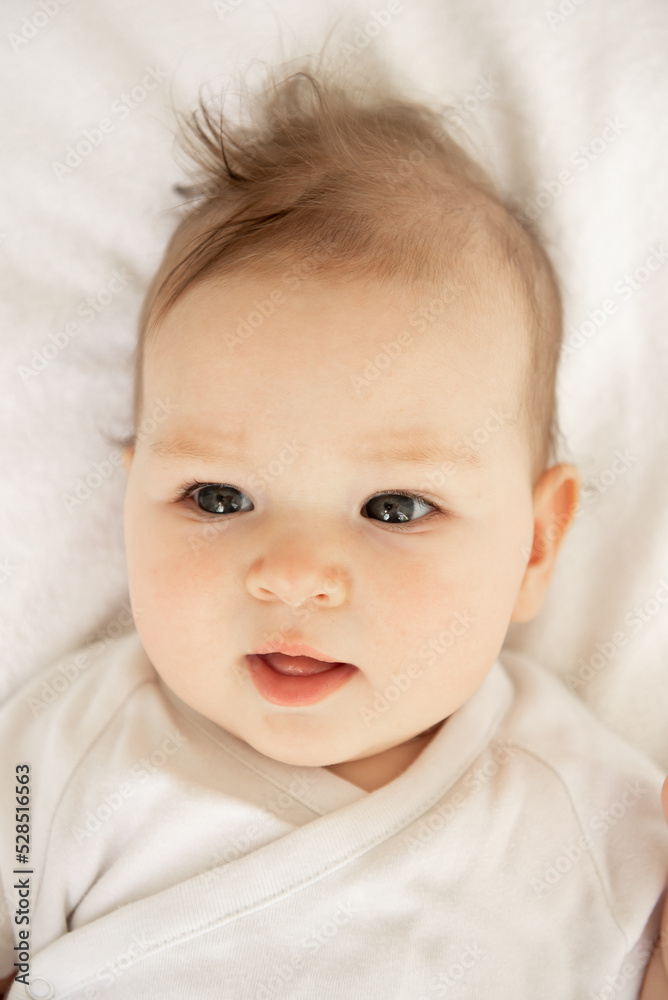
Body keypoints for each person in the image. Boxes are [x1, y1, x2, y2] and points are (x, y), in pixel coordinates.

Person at [1, 52, 668, 999]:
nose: (294, 576)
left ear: (534, 543)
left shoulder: (587, 816)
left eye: (395, 508)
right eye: (216, 498)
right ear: (131, 500)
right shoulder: (60, 754)